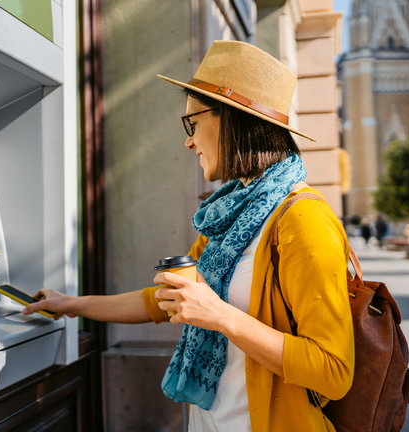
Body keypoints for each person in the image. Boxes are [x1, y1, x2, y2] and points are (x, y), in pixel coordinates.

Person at [21, 41, 354, 432]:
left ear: (231, 120)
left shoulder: (302, 219)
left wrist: (220, 316)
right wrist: (72, 304)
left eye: (192, 123)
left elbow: (333, 370)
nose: (189, 141)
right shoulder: (229, 215)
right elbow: (161, 302)